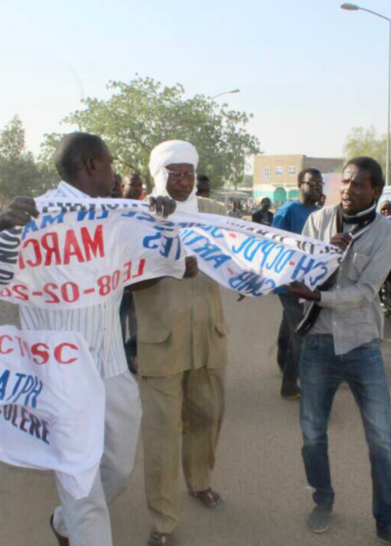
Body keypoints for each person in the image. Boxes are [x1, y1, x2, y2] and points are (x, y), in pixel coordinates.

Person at [0, 132, 179, 546]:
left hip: (111, 368)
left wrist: (163, 222)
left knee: (119, 470)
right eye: (109, 164)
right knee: (82, 484)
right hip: (60, 378)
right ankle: (80, 524)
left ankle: (65, 523)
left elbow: (156, 271)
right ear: (91, 165)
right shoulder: (35, 215)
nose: (113, 172)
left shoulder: (119, 215)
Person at [285, 157, 391, 546]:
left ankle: (387, 521)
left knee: (382, 439)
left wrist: (319, 294)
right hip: (317, 343)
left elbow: (363, 293)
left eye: (359, 185)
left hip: (361, 345)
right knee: (312, 434)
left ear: (375, 191)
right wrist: (324, 252)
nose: (348, 190)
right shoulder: (317, 221)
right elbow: (297, 269)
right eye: (345, 182)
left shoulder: (384, 232)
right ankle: (322, 499)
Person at [133, 141, 228, 546]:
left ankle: (200, 480)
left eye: (190, 173)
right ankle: (162, 521)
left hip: (209, 337)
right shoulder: (139, 218)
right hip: (162, 341)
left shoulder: (215, 214)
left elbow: (245, 257)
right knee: (162, 435)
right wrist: (170, 267)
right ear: (160, 174)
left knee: (208, 416)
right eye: (175, 174)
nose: (185, 182)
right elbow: (127, 280)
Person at [271, 168, 323, 399]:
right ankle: (290, 385)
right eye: (312, 183)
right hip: (289, 283)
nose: (317, 187)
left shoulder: (322, 213)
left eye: (320, 184)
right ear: (300, 184)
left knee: (290, 326)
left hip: (310, 282)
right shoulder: (288, 211)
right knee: (301, 332)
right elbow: (272, 242)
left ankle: (283, 360)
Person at [119, 173, 145, 373]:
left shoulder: (146, 211)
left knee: (141, 324)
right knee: (117, 323)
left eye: (139, 185)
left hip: (140, 281)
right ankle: (121, 361)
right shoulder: (112, 211)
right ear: (122, 187)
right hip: (117, 283)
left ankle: (132, 353)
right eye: (132, 185)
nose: (136, 188)